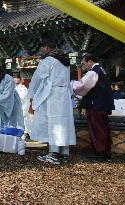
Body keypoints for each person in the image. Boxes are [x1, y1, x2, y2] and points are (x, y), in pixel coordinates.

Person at [28, 36, 76, 165]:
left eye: (43, 48)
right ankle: (64, 152)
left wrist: (32, 93)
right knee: (63, 122)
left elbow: (38, 77)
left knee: (53, 123)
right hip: (64, 94)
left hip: (53, 94)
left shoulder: (48, 60)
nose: (42, 50)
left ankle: (53, 153)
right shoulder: (65, 61)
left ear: (47, 48)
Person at [72, 53, 114, 160]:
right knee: (104, 127)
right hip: (104, 104)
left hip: (95, 104)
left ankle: (101, 152)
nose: (84, 65)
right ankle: (106, 150)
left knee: (97, 128)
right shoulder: (102, 70)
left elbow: (82, 85)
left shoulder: (93, 72)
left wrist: (71, 85)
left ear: (90, 61)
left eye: (84, 63)